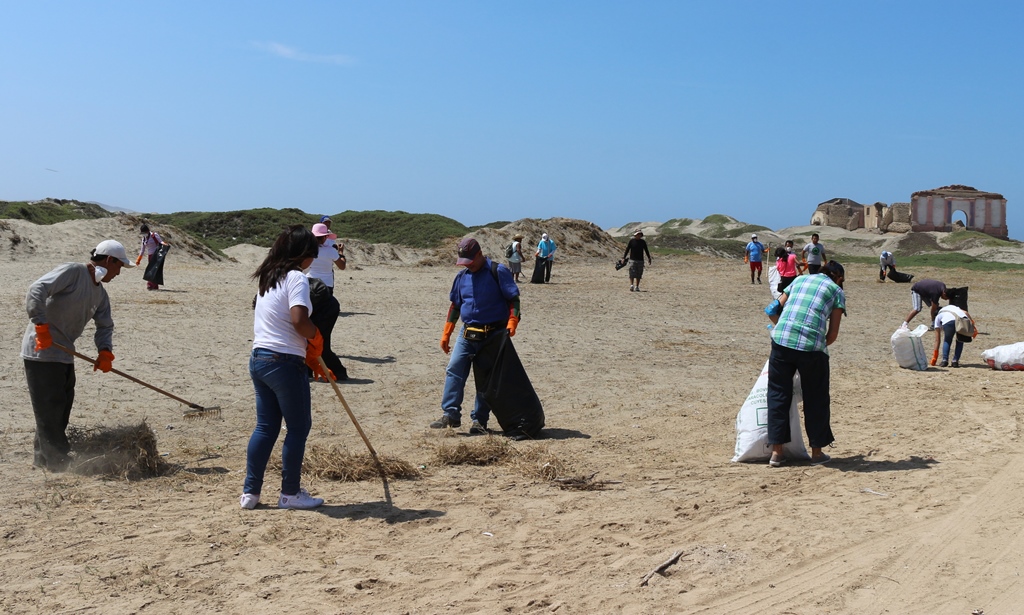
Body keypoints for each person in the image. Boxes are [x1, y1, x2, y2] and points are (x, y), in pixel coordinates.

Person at [21, 240, 135, 471]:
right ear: (109, 260)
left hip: (64, 353)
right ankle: (57, 460)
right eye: (119, 266)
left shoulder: (100, 294)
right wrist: (40, 326)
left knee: (60, 407)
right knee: (49, 406)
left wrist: (105, 352)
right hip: (41, 351)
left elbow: (105, 326)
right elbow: (37, 289)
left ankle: (43, 458)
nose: (119, 272)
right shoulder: (73, 272)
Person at [242, 225, 328, 510]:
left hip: (259, 358)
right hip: (284, 361)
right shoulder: (296, 279)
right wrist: (316, 338)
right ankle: (290, 494)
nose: (312, 262)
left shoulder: (268, 277)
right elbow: (299, 321)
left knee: (266, 427)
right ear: (303, 254)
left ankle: (250, 494)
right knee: (298, 427)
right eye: (311, 256)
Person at [430, 238, 521, 434]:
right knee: (454, 369)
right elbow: (455, 306)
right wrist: (447, 332)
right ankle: (450, 414)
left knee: (485, 378)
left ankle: (479, 421)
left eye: (470, 261)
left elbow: (513, 299)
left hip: (493, 334)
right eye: (464, 263)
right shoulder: (461, 277)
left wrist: (513, 321)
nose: (468, 266)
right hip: (467, 332)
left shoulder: (498, 272)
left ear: (480, 254)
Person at [764, 260, 846, 467]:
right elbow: (833, 334)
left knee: (777, 394)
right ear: (838, 278)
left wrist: (784, 328)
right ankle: (817, 453)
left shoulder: (799, 280)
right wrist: (817, 342)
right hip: (812, 349)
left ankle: (776, 453)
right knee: (815, 397)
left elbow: (773, 308)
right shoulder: (836, 291)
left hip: (781, 341)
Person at [305, 223, 346, 293]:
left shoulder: (307, 249)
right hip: (326, 284)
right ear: (324, 237)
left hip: (309, 281)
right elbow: (342, 266)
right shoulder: (330, 251)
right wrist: (341, 253)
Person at [136, 224, 169, 290]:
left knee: (154, 270)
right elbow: (142, 249)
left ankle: (151, 285)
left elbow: (160, 242)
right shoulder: (144, 239)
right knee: (151, 270)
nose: (144, 234)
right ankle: (153, 285)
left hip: (156, 255)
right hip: (150, 255)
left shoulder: (154, 235)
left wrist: (164, 244)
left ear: (147, 231)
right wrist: (139, 259)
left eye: (144, 232)